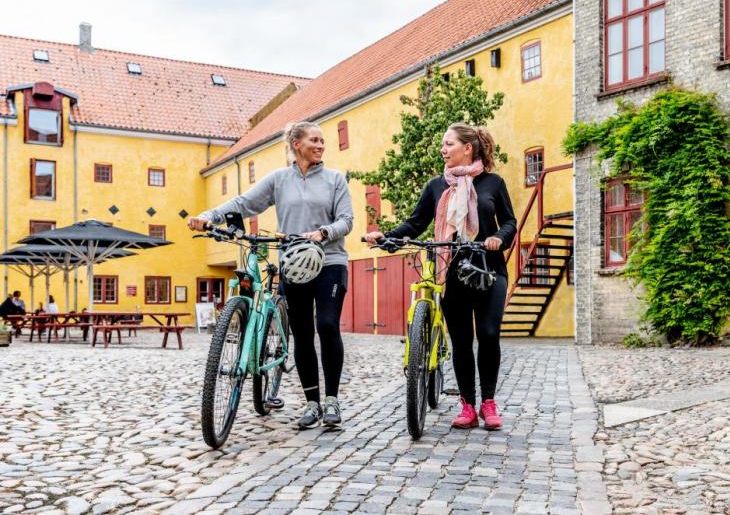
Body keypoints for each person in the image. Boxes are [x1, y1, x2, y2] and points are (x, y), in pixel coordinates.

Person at [188, 121, 354, 430]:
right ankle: (312, 402)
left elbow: (346, 220)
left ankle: (332, 400)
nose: (320, 145)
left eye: (322, 141)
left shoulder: (334, 180)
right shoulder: (279, 180)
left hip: (329, 260)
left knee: (328, 325)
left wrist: (322, 233)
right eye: (314, 140)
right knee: (302, 333)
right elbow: (244, 203)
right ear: (296, 145)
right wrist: (208, 216)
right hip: (293, 263)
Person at [364, 122, 516, 431]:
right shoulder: (436, 186)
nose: (443, 149)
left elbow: (510, 221)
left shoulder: (493, 183)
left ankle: (489, 403)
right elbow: (416, 222)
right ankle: (468, 406)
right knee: (460, 341)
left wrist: (499, 237)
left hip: (488, 268)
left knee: (487, 335)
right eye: (443, 145)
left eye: (448, 144)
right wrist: (387, 238)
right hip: (451, 271)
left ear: (467, 149)